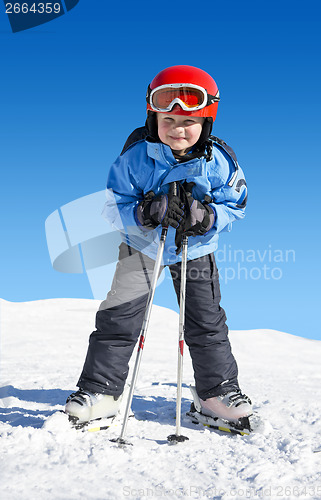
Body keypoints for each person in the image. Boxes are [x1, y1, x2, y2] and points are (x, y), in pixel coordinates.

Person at [65, 65, 252, 426]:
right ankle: (99, 390)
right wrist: (143, 212)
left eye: (189, 121)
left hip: (194, 250)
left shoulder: (218, 161)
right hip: (141, 249)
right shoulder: (135, 157)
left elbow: (237, 203)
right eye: (168, 119)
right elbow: (112, 204)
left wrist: (208, 217)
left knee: (206, 321)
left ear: (207, 120)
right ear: (153, 117)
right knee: (119, 318)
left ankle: (216, 392)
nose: (177, 129)